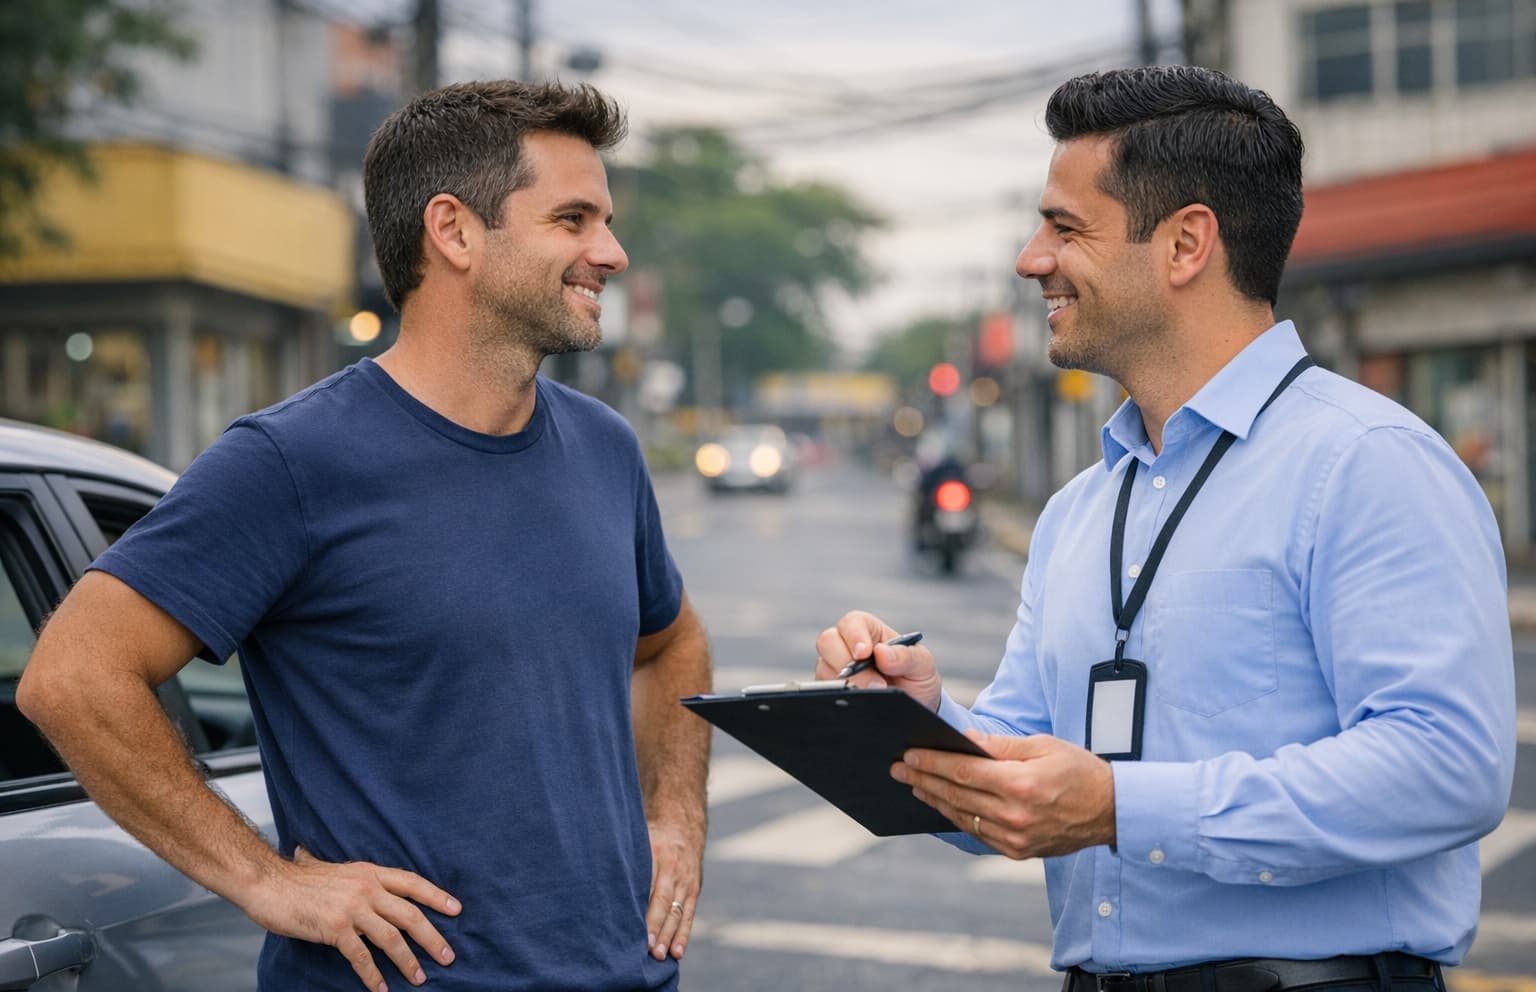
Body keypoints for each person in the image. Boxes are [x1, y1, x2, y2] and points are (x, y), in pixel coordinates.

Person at [817, 65, 1516, 991]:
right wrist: (916, 720)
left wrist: (1120, 808)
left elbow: (1447, 768)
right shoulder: (1080, 510)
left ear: (1187, 243)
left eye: (1065, 228)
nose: (1031, 259)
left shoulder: (1368, 462)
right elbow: (1021, 785)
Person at [18, 80, 712, 992]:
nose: (611, 253)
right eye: (573, 219)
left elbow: (672, 644)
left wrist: (675, 819)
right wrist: (267, 883)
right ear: (454, 231)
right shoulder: (292, 461)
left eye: (606, 221)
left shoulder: (605, 448)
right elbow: (72, 676)